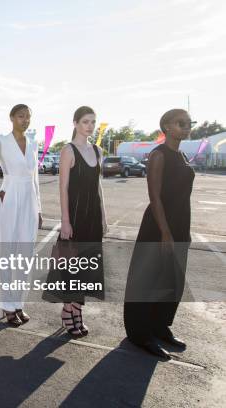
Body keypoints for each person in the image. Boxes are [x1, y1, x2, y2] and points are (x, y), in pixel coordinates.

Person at [123, 109, 195, 360]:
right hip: (158, 226)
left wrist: (184, 231)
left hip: (180, 224)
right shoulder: (158, 155)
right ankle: (139, 334)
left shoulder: (182, 154)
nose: (187, 127)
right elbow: (155, 197)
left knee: (171, 280)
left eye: (189, 123)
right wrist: (165, 232)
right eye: (181, 123)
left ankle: (159, 326)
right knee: (149, 280)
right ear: (166, 126)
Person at [43, 106, 107, 336]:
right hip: (75, 216)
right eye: (85, 122)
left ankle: (76, 311)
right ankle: (69, 311)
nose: (89, 126)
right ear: (75, 123)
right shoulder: (68, 151)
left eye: (93, 122)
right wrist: (65, 221)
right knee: (72, 266)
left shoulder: (98, 150)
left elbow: (98, 187)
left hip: (93, 218)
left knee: (88, 267)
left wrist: (104, 217)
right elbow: (63, 188)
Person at [0, 104, 42, 326]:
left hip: (29, 201)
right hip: (10, 200)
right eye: (21, 116)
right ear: (11, 118)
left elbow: (35, 179)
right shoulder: (2, 143)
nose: (25, 120)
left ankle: (18, 303)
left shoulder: (34, 144)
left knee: (25, 256)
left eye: (28, 116)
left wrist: (39, 208)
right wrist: (0, 191)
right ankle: (7, 306)